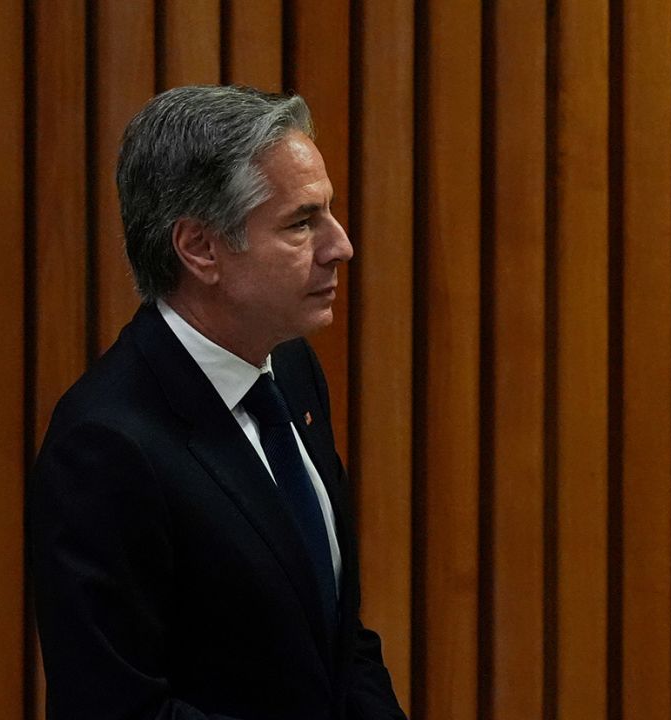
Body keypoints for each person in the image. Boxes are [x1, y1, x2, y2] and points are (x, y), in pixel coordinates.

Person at [26, 85, 406, 720]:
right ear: (200, 249)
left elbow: (340, 642)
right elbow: (119, 711)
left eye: (328, 213)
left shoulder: (291, 368)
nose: (339, 245)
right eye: (300, 223)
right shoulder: (104, 447)